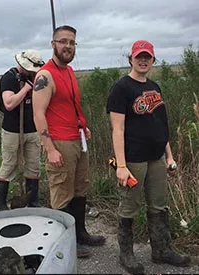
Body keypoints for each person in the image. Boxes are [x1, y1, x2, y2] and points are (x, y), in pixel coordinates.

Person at [107, 40, 190, 273]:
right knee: (129, 206)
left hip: (157, 157)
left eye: (148, 57)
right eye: (139, 56)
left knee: (159, 205)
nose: (143, 60)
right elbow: (117, 129)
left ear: (153, 60)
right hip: (133, 158)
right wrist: (121, 165)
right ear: (130, 59)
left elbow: (161, 126)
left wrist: (170, 156)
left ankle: (161, 250)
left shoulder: (155, 86)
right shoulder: (122, 88)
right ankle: (126, 254)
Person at [32, 25, 105, 258]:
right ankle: (63, 243)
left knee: (80, 188)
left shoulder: (70, 71)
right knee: (62, 191)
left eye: (72, 42)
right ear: (53, 44)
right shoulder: (45, 75)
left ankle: (80, 233)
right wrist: (50, 149)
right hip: (60, 142)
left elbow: (69, 104)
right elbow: (38, 114)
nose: (68, 46)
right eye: (63, 41)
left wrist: (83, 125)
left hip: (77, 139)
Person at [0, 50, 44, 211]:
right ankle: (1, 204)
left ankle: (33, 201)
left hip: (33, 129)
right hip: (12, 130)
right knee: (10, 164)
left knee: (34, 165)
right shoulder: (9, 78)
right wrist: (25, 90)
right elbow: (8, 104)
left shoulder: (35, 77)